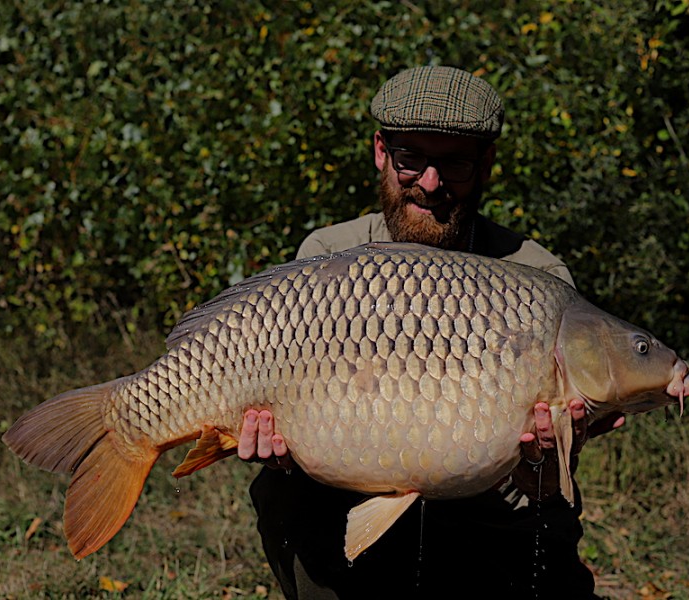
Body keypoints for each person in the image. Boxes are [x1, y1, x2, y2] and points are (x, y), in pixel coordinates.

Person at [237, 66, 624, 599]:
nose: (431, 183)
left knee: (545, 539)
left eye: (456, 163)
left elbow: (545, 488)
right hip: (351, 495)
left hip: (485, 512)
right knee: (284, 492)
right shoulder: (328, 256)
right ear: (381, 152)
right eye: (411, 159)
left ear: (486, 163)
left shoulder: (537, 277)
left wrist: (540, 469)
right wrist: (285, 452)